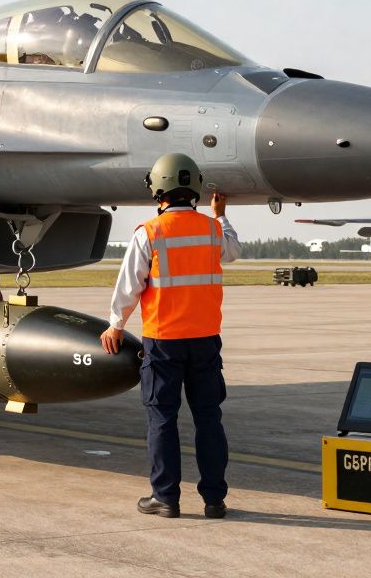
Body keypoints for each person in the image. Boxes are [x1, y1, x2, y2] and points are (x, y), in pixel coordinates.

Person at [100, 152, 241, 519]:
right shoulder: (212, 229)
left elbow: (129, 285)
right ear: (194, 187)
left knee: (162, 418)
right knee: (209, 417)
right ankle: (214, 500)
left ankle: (165, 498)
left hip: (164, 341)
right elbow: (234, 251)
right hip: (206, 339)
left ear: (157, 189)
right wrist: (221, 214)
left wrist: (116, 325)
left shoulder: (149, 232)